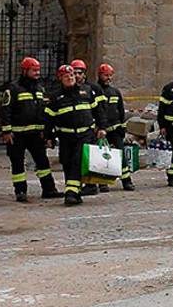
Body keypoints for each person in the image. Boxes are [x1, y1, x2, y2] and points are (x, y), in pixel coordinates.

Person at [0, 57, 60, 202]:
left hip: (35, 134)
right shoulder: (13, 88)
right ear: (25, 71)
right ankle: (20, 191)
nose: (37, 73)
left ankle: (49, 189)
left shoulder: (40, 88)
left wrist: (46, 132)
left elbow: (43, 110)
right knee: (17, 163)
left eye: (38, 70)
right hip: (17, 134)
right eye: (34, 70)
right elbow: (5, 110)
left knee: (43, 162)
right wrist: (7, 131)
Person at [45, 64, 104, 206]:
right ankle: (75, 192)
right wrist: (49, 137)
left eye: (72, 75)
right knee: (67, 162)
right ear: (61, 79)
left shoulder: (87, 91)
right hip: (65, 136)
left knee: (77, 162)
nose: (70, 78)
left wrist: (102, 127)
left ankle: (70, 193)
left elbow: (98, 111)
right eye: (67, 76)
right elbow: (48, 119)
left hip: (85, 135)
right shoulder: (55, 97)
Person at [71, 59, 106, 195]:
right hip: (77, 130)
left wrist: (101, 126)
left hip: (91, 129)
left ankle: (95, 184)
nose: (77, 75)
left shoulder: (93, 89)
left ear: (84, 73)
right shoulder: (69, 89)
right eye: (74, 73)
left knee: (92, 158)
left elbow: (101, 109)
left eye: (79, 73)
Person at [97, 63, 134, 191]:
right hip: (102, 131)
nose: (108, 78)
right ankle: (102, 182)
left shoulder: (115, 92)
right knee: (102, 157)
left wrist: (122, 127)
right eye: (105, 75)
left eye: (110, 75)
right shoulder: (96, 91)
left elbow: (121, 111)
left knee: (121, 156)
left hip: (115, 129)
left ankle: (127, 181)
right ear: (100, 75)